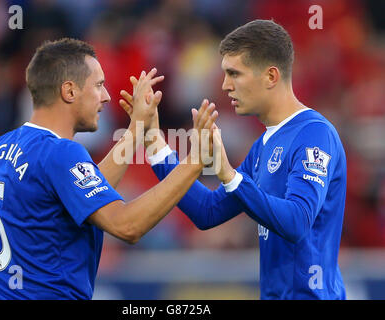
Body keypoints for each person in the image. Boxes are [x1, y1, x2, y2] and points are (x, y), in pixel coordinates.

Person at [121, 20, 347, 299]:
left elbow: (297, 222)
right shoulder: (264, 146)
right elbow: (208, 211)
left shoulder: (314, 133)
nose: (225, 85)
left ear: (271, 76)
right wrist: (153, 140)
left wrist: (227, 173)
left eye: (234, 73)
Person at [0, 38, 218, 299]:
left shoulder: (2, 146)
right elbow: (126, 226)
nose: (107, 97)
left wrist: (137, 127)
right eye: (98, 86)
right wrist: (195, 161)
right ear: (69, 91)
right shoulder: (61, 152)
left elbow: (85, 195)